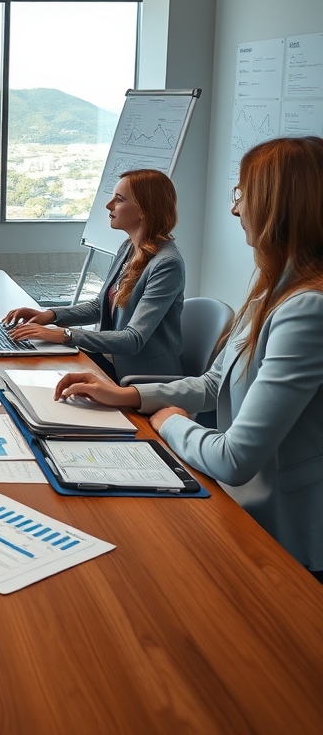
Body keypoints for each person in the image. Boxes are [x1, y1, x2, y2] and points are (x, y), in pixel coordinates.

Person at [54, 137, 323, 577]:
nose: (236, 211)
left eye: (242, 195)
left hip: (283, 536)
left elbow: (233, 460)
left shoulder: (307, 308)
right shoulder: (273, 292)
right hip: (244, 508)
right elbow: (213, 384)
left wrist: (169, 420)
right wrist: (129, 396)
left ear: (280, 204)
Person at [3, 169, 185, 381]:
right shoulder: (128, 247)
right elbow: (100, 307)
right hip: (110, 362)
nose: (109, 206)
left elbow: (133, 339)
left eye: (119, 199)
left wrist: (65, 334)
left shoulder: (167, 264)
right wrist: (50, 315)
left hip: (142, 378)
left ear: (144, 209)